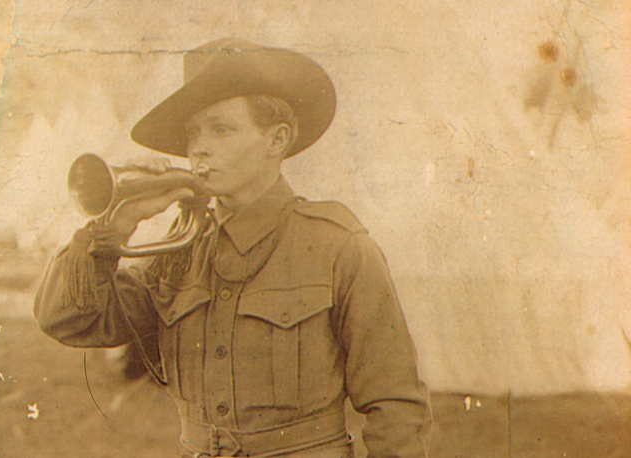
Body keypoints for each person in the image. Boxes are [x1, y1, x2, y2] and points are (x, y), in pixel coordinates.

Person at [34, 38, 431, 458]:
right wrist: (116, 226)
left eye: (221, 129)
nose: (198, 148)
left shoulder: (337, 245)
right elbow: (64, 319)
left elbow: (396, 404)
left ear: (276, 140)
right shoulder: (177, 252)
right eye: (193, 133)